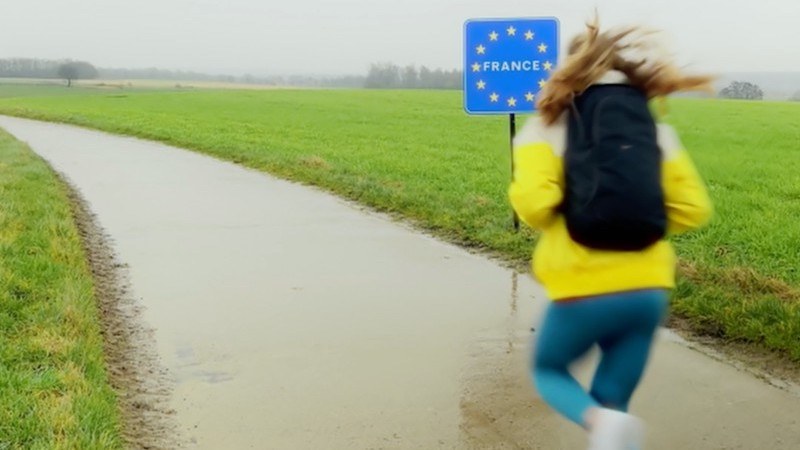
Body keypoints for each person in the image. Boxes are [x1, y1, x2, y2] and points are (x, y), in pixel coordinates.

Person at [508, 17, 714, 450]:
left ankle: (600, 424)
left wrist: (583, 209)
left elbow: (534, 205)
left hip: (583, 287)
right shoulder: (654, 131)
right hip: (648, 291)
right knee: (611, 404)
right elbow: (693, 209)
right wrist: (639, 218)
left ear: (569, 70)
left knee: (549, 370)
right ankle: (608, 428)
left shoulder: (545, 128)